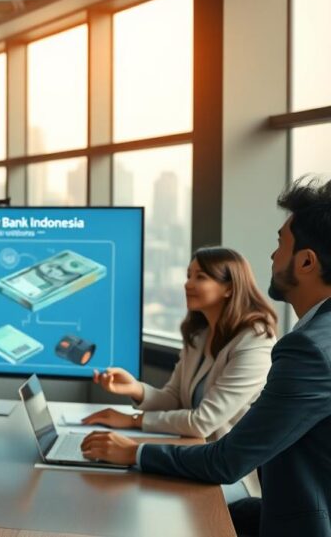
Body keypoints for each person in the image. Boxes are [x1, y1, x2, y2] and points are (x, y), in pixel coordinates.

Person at [82, 177, 331, 537]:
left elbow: (226, 459)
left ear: (306, 262)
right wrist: (136, 394)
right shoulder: (308, 336)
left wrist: (133, 452)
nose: (273, 255)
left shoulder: (305, 349)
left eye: (280, 244)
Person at [83, 247, 277, 441]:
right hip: (189, 450)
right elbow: (174, 399)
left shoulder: (256, 341)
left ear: (229, 288)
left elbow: (202, 422)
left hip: (226, 463)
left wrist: (134, 420)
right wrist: (135, 389)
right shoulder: (200, 334)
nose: (188, 284)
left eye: (200, 277)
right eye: (188, 276)